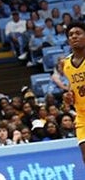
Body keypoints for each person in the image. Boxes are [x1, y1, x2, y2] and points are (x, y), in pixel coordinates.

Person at [52, 21, 85, 165]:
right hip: (82, 116)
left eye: (78, 33)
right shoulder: (65, 64)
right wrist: (68, 97)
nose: (74, 36)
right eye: (71, 35)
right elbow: (73, 87)